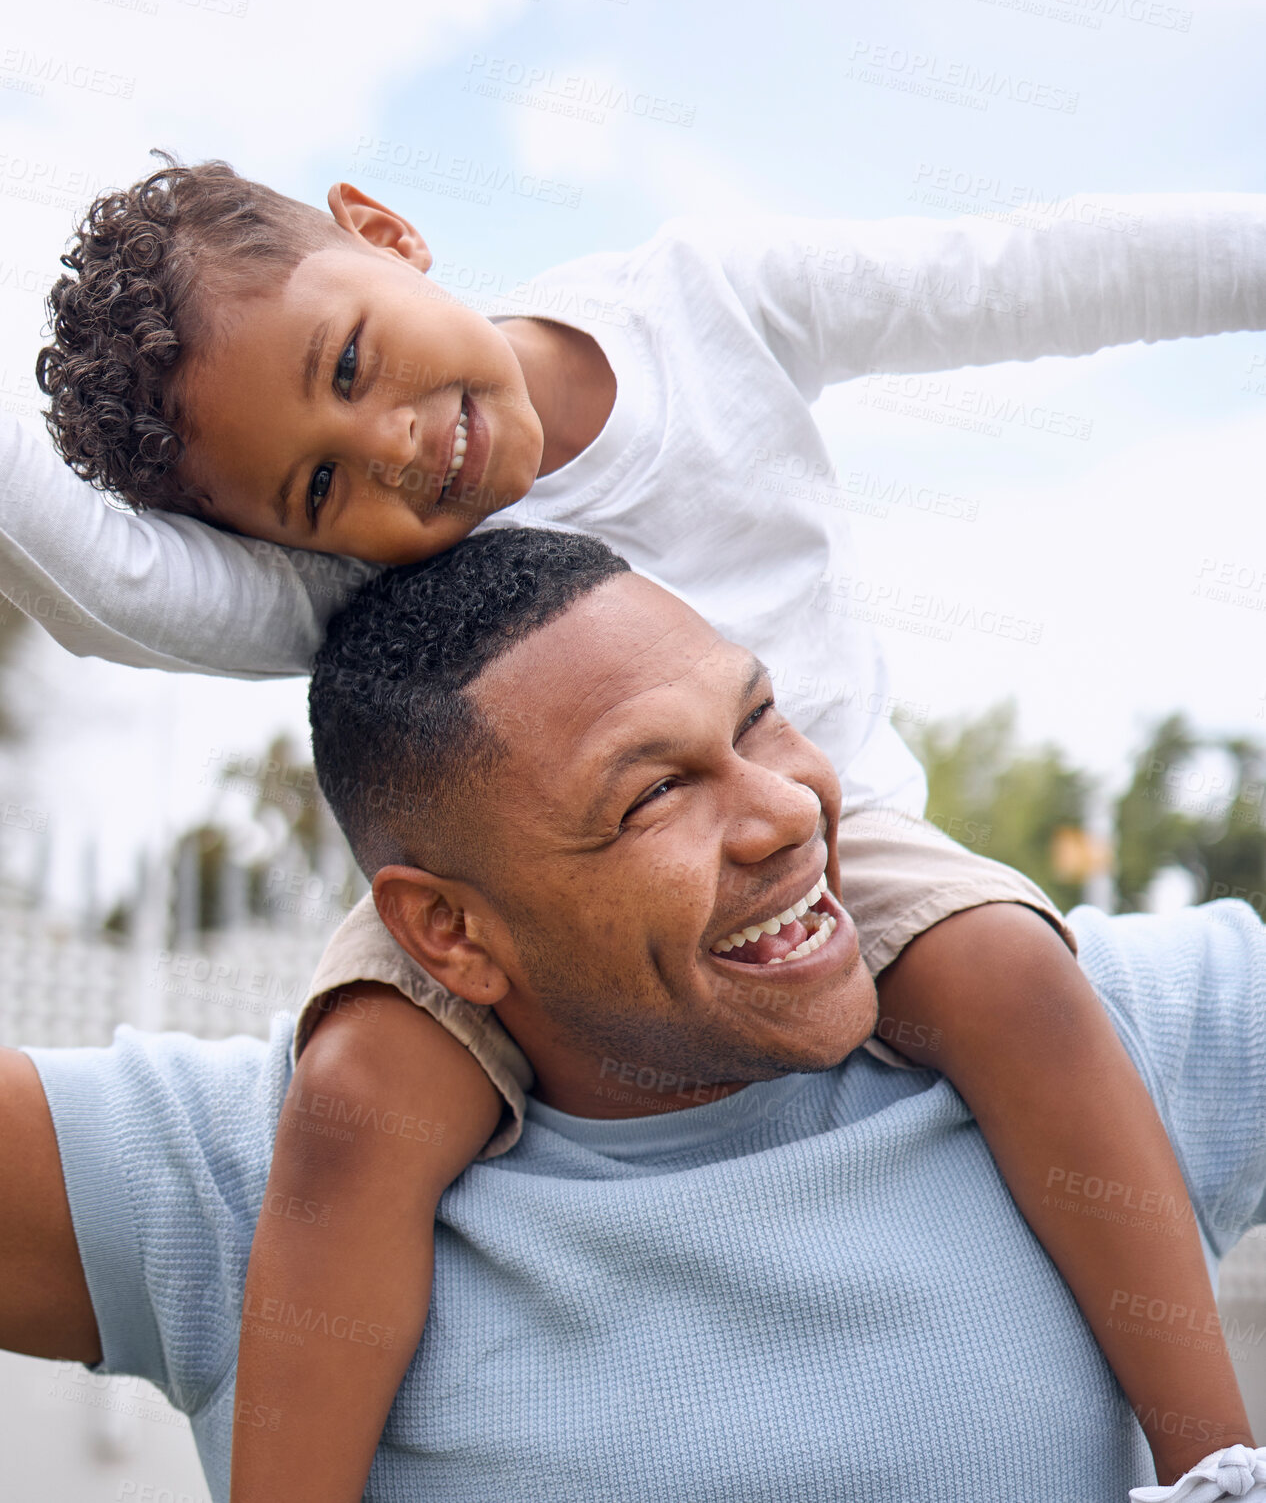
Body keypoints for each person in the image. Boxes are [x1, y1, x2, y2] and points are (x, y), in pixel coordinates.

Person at [22, 159, 1266, 1497]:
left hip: (851, 834)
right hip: (518, 905)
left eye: (350, 364)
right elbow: (105, 586)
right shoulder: (349, 569)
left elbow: (1029, 268)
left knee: (1014, 976)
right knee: (353, 1103)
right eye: (319, 484)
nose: (386, 446)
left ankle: (1210, 1457)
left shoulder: (706, 311)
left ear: (388, 231)